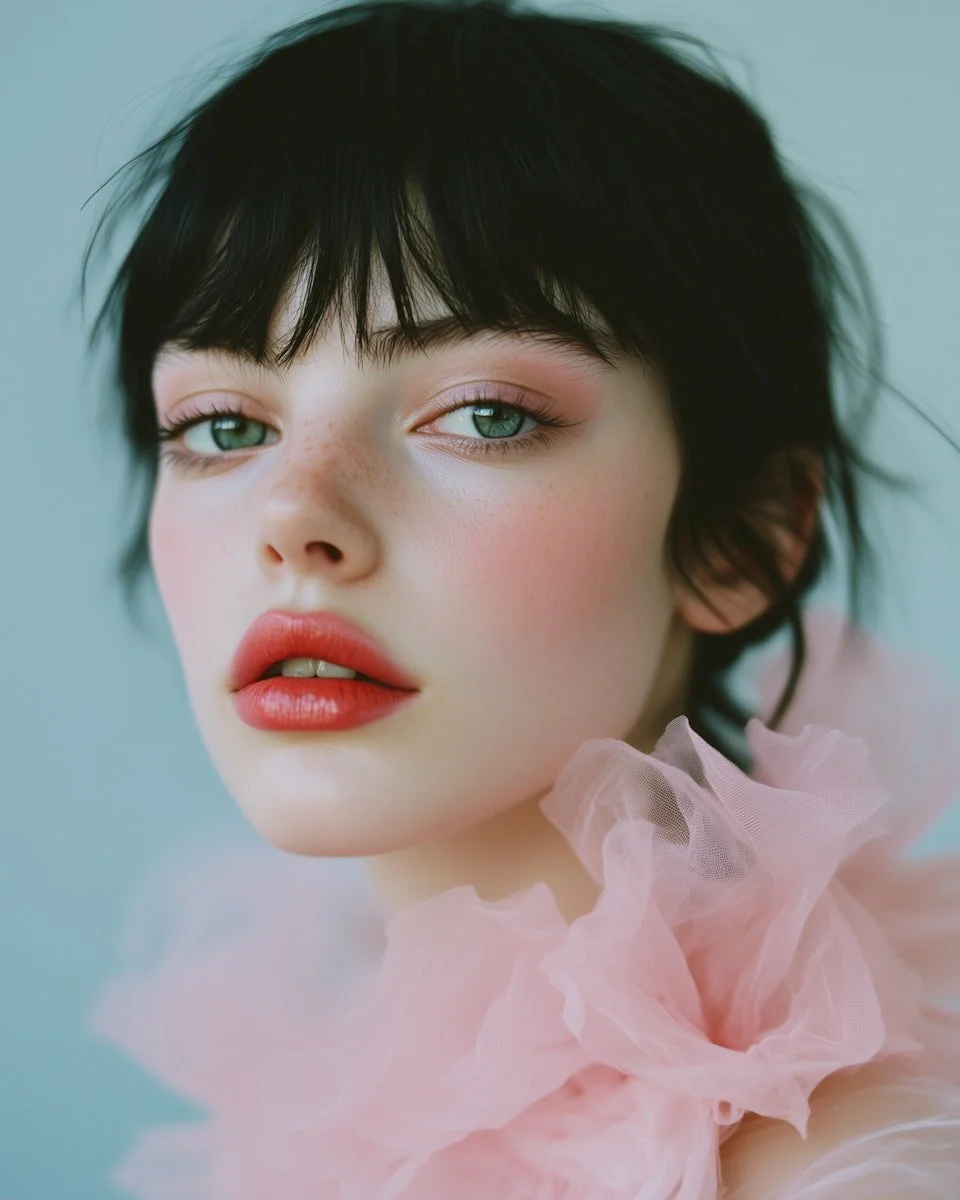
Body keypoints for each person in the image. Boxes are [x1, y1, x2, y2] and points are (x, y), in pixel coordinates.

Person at [80, 1, 960, 1195]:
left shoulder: (857, 1168)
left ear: (745, 538)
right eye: (224, 426)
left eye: (487, 414)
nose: (295, 518)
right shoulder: (294, 1069)